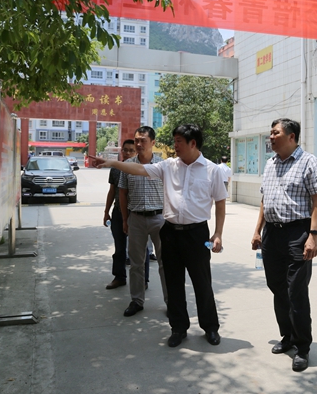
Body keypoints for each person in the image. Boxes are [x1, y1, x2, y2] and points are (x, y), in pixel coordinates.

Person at [90, 124, 227, 348]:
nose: (175, 145)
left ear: (193, 143)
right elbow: (139, 169)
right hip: (170, 232)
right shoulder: (168, 166)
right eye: (175, 140)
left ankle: (210, 327)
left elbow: (220, 202)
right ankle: (178, 328)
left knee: (202, 282)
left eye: (179, 141)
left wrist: (218, 233)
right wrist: (113, 163)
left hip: (197, 234)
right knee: (173, 283)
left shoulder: (212, 170)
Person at [251, 118, 317, 373]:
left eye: (275, 133)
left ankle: (302, 347)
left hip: (297, 233)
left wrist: (313, 235)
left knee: (296, 292)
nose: (271, 137)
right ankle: (288, 336)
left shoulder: (308, 162)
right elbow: (265, 199)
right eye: (270, 133)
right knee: (277, 287)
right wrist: (257, 230)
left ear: (291, 136)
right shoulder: (270, 163)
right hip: (272, 234)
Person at [118, 126, 168, 317]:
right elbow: (123, 193)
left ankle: (171, 302)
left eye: (143, 140)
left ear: (153, 142)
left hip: (160, 219)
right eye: (136, 140)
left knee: (165, 263)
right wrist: (125, 219)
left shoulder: (163, 165)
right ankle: (137, 300)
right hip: (136, 219)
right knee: (136, 264)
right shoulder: (127, 165)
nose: (138, 144)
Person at [103, 139, 136, 289]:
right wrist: (106, 212)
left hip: (136, 213)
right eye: (125, 150)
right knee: (119, 248)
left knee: (139, 249)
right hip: (118, 212)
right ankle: (119, 277)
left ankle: (143, 280)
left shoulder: (140, 169)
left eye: (131, 150)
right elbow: (112, 192)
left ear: (136, 152)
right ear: (121, 151)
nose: (128, 153)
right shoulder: (116, 169)